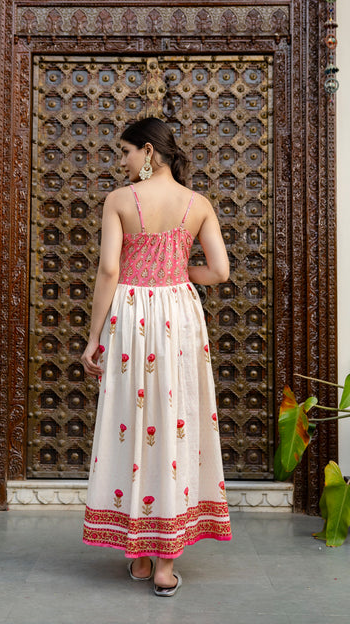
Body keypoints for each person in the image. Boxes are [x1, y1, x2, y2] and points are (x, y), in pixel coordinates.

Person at [81, 117, 232, 597]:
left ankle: (142, 560)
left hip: (132, 317)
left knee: (133, 422)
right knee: (175, 422)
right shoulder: (198, 204)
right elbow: (220, 272)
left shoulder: (121, 201)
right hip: (179, 315)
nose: (121, 161)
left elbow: (108, 269)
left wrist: (93, 337)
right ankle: (167, 566)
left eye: (125, 151)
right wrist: (178, 272)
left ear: (148, 152)